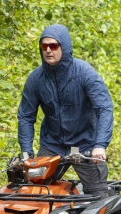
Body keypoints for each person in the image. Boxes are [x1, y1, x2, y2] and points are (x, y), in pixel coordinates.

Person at [17, 24, 113, 198]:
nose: (48, 50)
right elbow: (25, 116)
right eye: (43, 46)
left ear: (64, 47)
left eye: (53, 46)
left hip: (85, 144)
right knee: (34, 192)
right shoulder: (35, 79)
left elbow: (104, 108)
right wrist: (26, 153)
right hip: (52, 145)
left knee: (98, 197)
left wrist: (100, 145)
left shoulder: (85, 73)